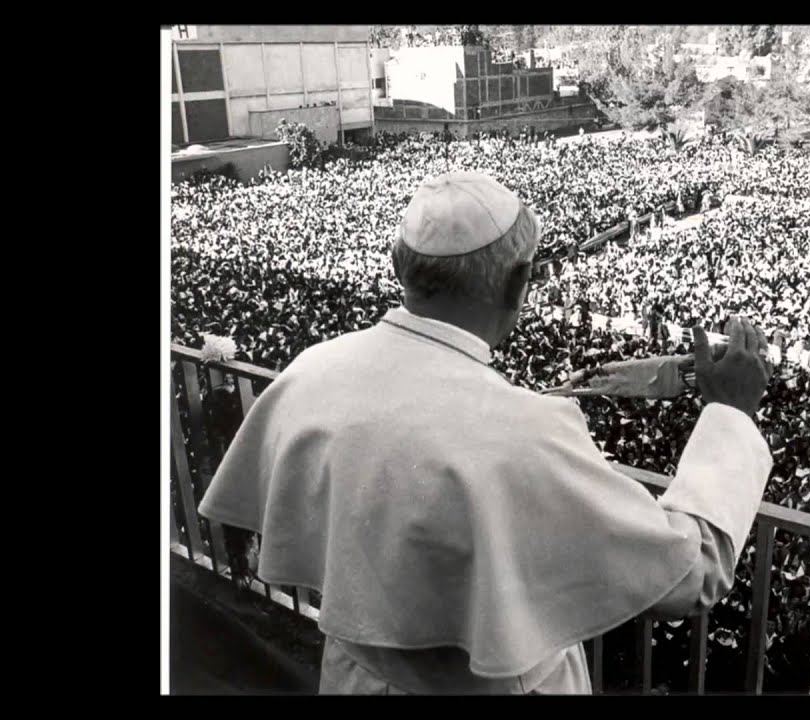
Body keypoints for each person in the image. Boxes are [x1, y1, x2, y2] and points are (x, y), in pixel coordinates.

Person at [197, 172, 776, 695]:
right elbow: (689, 574)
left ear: (401, 269)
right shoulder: (528, 431)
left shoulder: (310, 369)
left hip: (355, 678)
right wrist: (729, 415)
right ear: (520, 283)